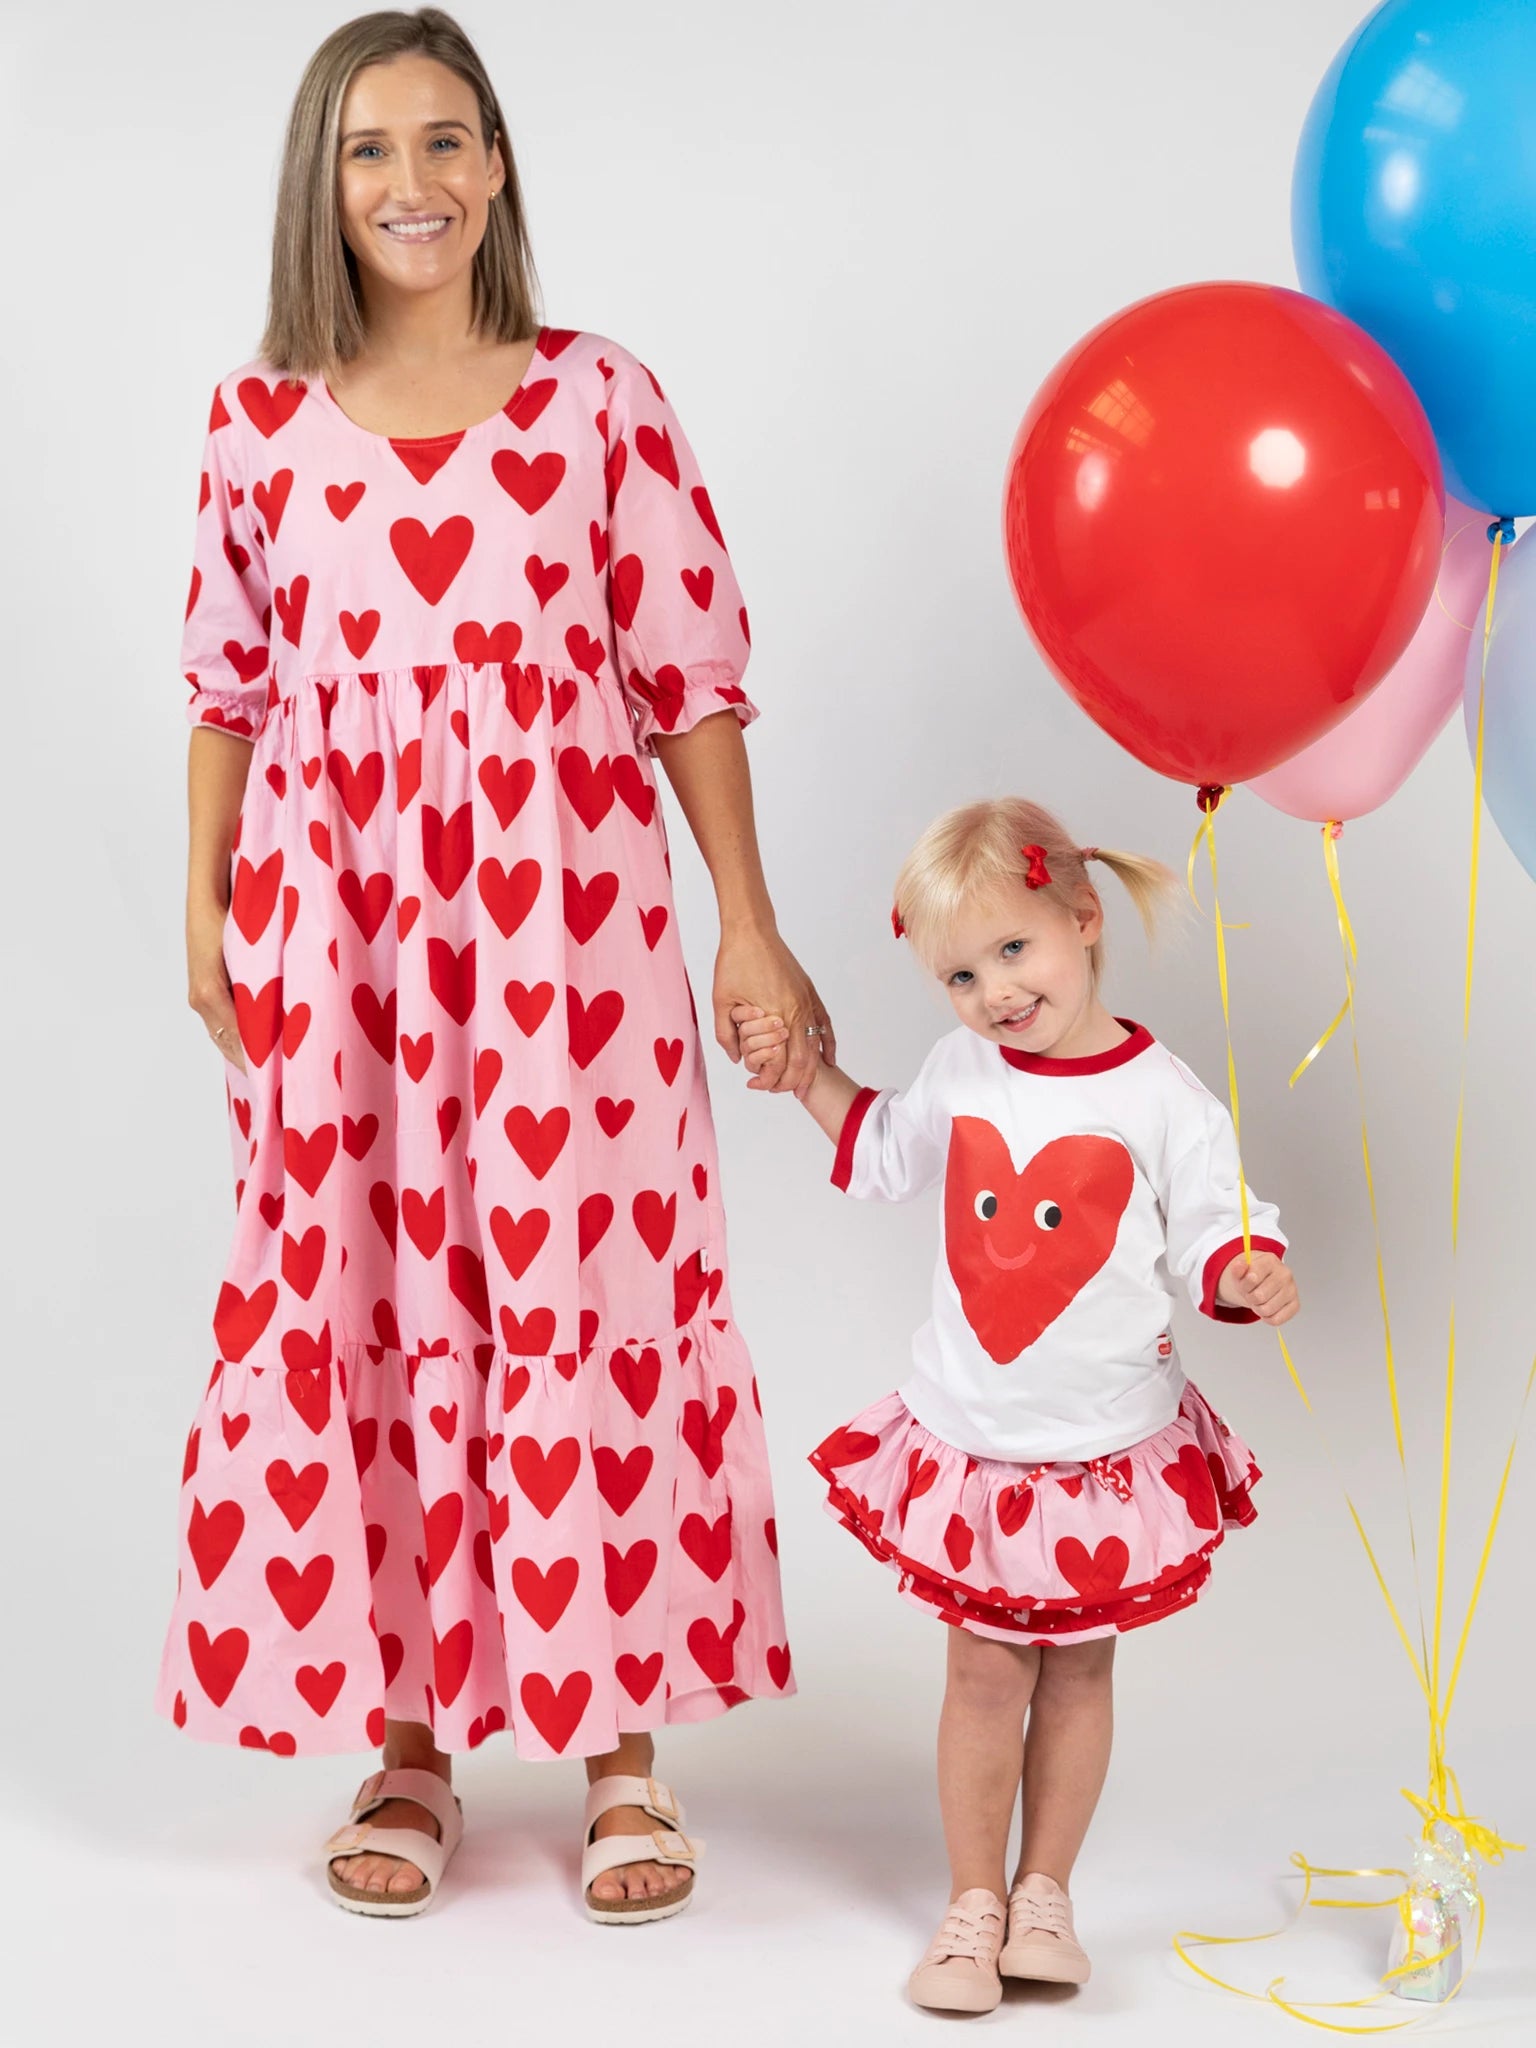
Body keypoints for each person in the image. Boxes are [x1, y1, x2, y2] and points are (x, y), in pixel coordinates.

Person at [164, 6, 833, 1923]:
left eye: (449, 143)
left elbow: (689, 673)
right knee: (367, 1269)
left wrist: (749, 914)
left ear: (500, 167)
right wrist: (204, 900)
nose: (413, 184)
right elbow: (226, 678)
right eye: (373, 150)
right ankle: (408, 1739)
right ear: (324, 179)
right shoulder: (255, 421)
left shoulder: (596, 400)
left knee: (583, 1269)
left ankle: (625, 1743)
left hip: (565, 932)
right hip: (342, 925)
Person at [733, 796, 1298, 2012]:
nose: (993, 989)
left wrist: (1244, 1270)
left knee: (1080, 1672)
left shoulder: (1162, 1096)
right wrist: (802, 1077)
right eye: (959, 971)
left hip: (1101, 1449)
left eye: (1014, 950)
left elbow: (1218, 1219)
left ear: (1083, 922)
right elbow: (881, 1148)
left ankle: (1048, 1893)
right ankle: (971, 1899)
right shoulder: (961, 1069)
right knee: (985, 1671)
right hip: (980, 1444)